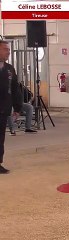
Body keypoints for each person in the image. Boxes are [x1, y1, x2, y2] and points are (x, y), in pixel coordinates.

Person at [0, 40, 22, 174]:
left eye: (8, 49)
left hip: (3, 109)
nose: (8, 52)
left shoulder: (9, 68)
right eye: (5, 49)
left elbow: (15, 89)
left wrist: (18, 107)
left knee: (0, 138)